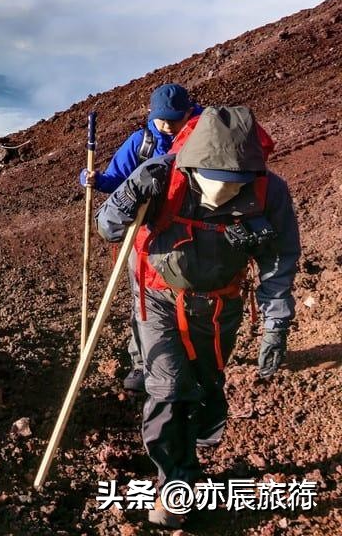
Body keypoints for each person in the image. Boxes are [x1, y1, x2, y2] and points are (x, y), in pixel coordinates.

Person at [96, 106, 299, 528]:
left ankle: (202, 432)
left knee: (206, 386)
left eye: (235, 186)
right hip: (159, 299)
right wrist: (130, 195)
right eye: (216, 183)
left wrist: (276, 324)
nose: (223, 195)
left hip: (220, 305)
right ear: (192, 165)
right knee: (168, 390)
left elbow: (279, 260)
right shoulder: (160, 174)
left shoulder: (268, 191)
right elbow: (108, 227)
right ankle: (176, 485)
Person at [79, 83, 201, 392]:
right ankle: (142, 362)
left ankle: (192, 358)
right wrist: (95, 179)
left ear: (189, 110)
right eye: (162, 119)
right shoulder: (142, 142)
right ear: (151, 113)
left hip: (191, 234)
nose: (168, 125)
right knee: (145, 301)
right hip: (145, 237)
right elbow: (116, 179)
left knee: (193, 298)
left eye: (175, 118)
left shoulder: (203, 136)